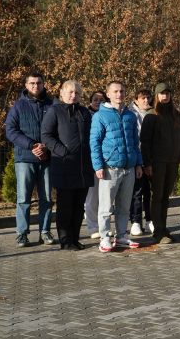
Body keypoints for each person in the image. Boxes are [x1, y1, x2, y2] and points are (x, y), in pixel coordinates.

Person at [89, 81, 143, 252]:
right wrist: (98, 166)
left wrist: (139, 164)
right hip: (110, 168)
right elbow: (95, 142)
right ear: (109, 95)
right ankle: (104, 238)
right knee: (105, 207)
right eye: (116, 91)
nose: (119, 94)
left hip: (130, 168)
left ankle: (121, 236)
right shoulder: (100, 116)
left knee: (124, 206)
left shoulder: (130, 116)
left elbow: (135, 142)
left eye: (122, 91)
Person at [40, 80, 93, 250]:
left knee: (79, 207)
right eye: (70, 92)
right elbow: (46, 135)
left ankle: (75, 238)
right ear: (61, 93)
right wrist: (62, 152)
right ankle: (66, 241)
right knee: (65, 206)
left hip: (83, 168)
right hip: (64, 166)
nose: (73, 96)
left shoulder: (84, 112)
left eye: (77, 93)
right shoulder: (54, 111)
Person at [6, 73, 55, 247]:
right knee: (23, 198)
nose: (36, 86)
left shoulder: (53, 105)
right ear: (26, 85)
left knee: (47, 198)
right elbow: (11, 131)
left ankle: (45, 231)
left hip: (47, 159)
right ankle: (22, 234)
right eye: (32, 83)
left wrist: (45, 147)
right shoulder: (18, 106)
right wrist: (32, 146)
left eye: (39, 83)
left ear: (43, 84)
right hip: (25, 159)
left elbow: (58, 130)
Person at [140, 83, 180, 244]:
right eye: (162, 93)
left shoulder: (176, 114)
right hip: (157, 163)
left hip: (173, 162)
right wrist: (147, 163)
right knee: (157, 197)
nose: (165, 96)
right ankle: (158, 232)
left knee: (165, 198)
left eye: (168, 93)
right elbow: (145, 142)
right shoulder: (151, 115)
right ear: (156, 96)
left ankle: (164, 228)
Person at [128, 87, 153, 237]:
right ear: (136, 100)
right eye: (142, 98)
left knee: (150, 192)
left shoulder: (154, 113)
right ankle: (136, 222)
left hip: (152, 160)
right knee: (136, 192)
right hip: (137, 160)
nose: (146, 100)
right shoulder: (131, 115)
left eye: (148, 97)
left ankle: (150, 220)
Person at [85, 90, 107, 239]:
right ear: (90, 102)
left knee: (106, 198)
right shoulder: (85, 116)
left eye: (101, 99)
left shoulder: (110, 114)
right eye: (95, 99)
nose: (98, 102)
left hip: (108, 161)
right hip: (91, 162)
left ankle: (105, 227)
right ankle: (93, 227)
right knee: (92, 197)